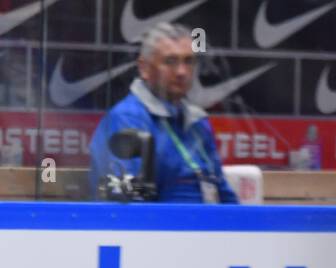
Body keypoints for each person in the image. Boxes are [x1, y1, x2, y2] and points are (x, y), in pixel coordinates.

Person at [87, 22, 237, 204]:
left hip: (208, 228)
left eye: (188, 61)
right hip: (161, 229)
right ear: (144, 68)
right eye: (170, 61)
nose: (182, 72)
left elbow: (223, 192)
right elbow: (127, 203)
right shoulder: (127, 120)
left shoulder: (198, 122)